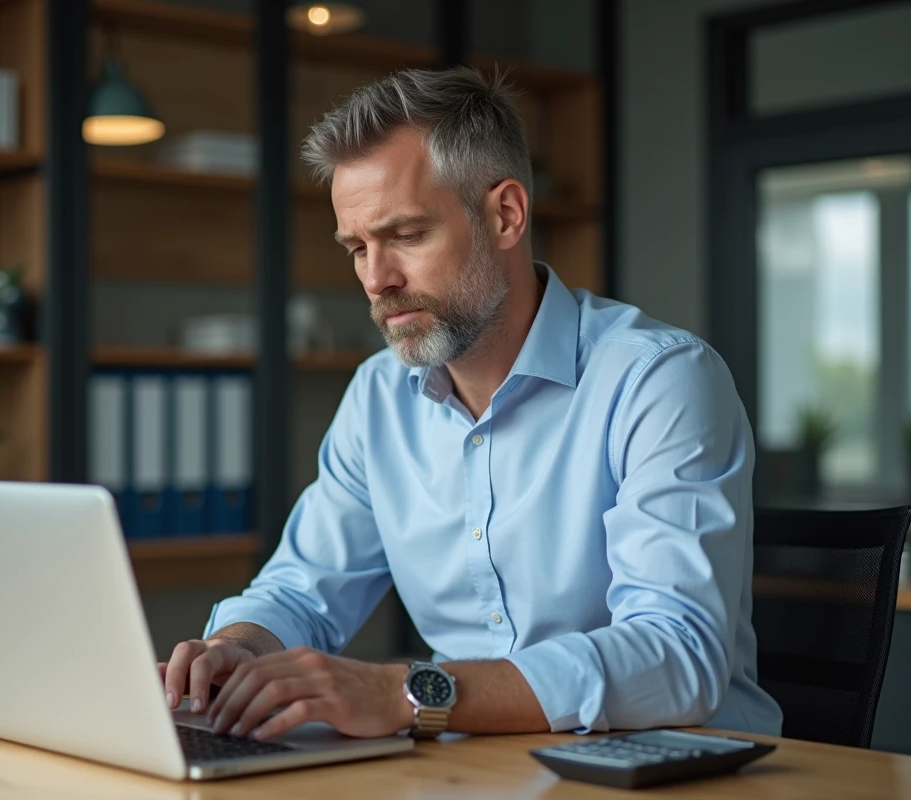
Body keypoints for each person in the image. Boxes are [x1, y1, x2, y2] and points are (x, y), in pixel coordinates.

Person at [159, 65, 783, 743]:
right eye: (357, 248)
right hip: (483, 771)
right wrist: (241, 650)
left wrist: (405, 692)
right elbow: (300, 588)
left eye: (405, 235)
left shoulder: (659, 380)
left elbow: (678, 656)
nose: (376, 280)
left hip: (680, 774)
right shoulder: (378, 397)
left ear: (505, 214)